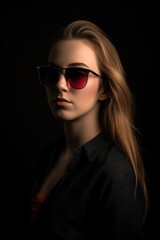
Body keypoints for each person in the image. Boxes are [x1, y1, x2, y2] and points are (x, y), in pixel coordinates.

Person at [28, 20, 149, 239]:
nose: (60, 85)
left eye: (77, 75)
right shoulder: (52, 155)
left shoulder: (114, 174)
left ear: (103, 89)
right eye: (51, 73)